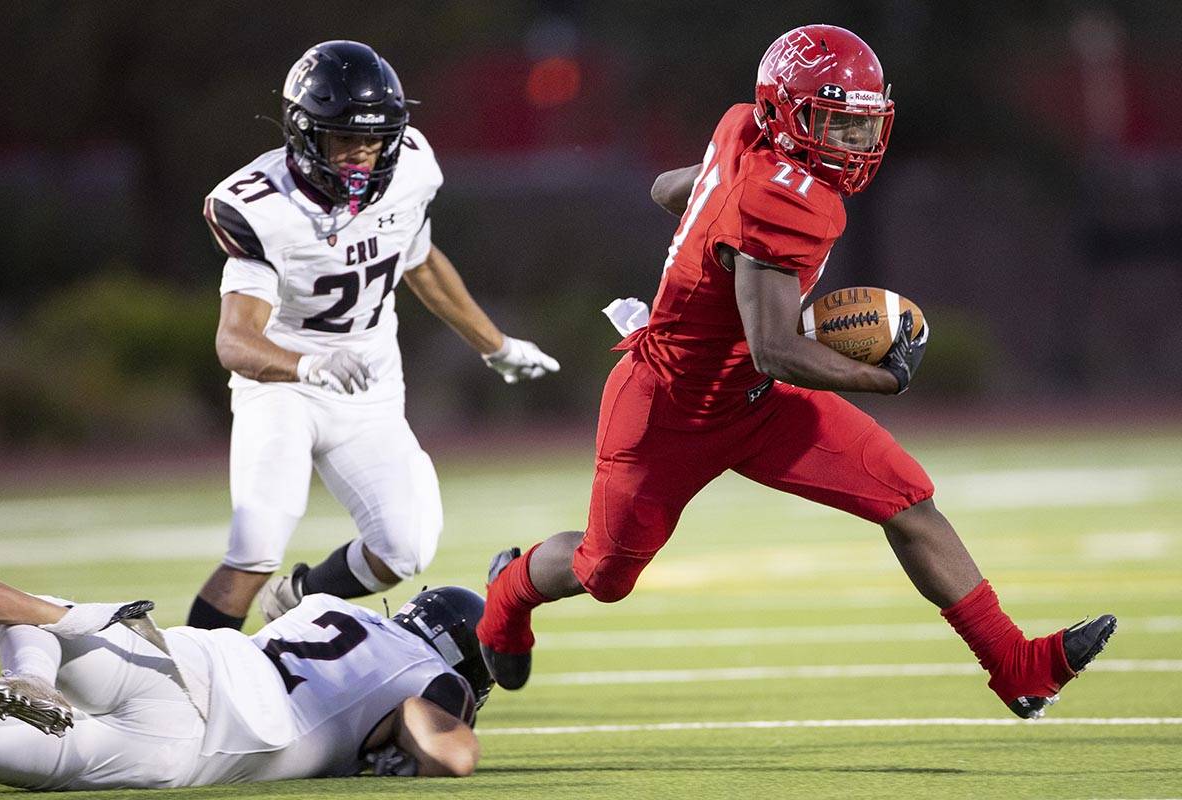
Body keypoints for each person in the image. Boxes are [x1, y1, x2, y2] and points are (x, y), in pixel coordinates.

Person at [475, 24, 1117, 719]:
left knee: (907, 499)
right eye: (836, 123)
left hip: (752, 403)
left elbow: (668, 188)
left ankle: (1016, 665)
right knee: (604, 573)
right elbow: (774, 347)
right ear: (785, 115)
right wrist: (884, 377)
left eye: (860, 124)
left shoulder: (742, 130)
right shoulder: (785, 201)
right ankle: (509, 592)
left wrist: (711, 203)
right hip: (667, 409)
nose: (854, 143)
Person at [192, 40, 558, 632]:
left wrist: (498, 346)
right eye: (344, 140)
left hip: (370, 387)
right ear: (305, 133)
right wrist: (307, 365)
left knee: (405, 547)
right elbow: (234, 341)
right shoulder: (259, 206)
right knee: (255, 547)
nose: (362, 155)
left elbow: (420, 261)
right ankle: (188, 693)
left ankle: (300, 596)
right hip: (282, 387)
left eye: (374, 139)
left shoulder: (411, 168)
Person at [0, 574, 491, 789]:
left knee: (28, 613)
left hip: (182, 657)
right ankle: (32, 676)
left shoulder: (328, 605)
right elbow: (455, 755)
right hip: (194, 748)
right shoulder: (434, 678)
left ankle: (30, 675)